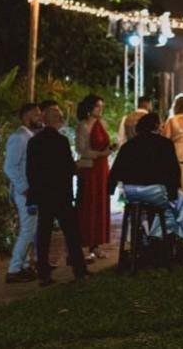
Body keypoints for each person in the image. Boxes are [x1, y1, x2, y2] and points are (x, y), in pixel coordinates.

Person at [109, 112, 183, 250]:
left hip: (131, 192)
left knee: (169, 206)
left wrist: (111, 190)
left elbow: (115, 171)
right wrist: (174, 191)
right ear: (156, 126)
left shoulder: (128, 146)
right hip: (155, 191)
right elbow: (173, 171)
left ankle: (157, 237)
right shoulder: (165, 144)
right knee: (181, 202)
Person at [26, 105, 88, 286]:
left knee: (44, 234)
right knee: (71, 232)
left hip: (44, 193)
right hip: (61, 193)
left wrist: (34, 195)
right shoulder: (61, 141)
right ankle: (79, 269)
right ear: (57, 120)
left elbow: (31, 170)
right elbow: (68, 167)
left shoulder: (35, 141)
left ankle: (43, 272)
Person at [4, 102, 42, 283]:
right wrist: (24, 188)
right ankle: (14, 268)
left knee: (31, 229)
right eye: (36, 114)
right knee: (28, 229)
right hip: (25, 192)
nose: (40, 118)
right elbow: (10, 167)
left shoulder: (29, 136)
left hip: (29, 190)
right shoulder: (19, 137)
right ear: (27, 116)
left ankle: (25, 265)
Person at [74, 94, 111, 261]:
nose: (100, 109)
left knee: (100, 206)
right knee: (87, 206)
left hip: (102, 168)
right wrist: (100, 154)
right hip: (90, 169)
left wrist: (109, 150)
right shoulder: (83, 126)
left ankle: (96, 244)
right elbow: (81, 150)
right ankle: (83, 244)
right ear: (90, 108)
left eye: (101, 106)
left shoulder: (102, 123)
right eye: (98, 106)